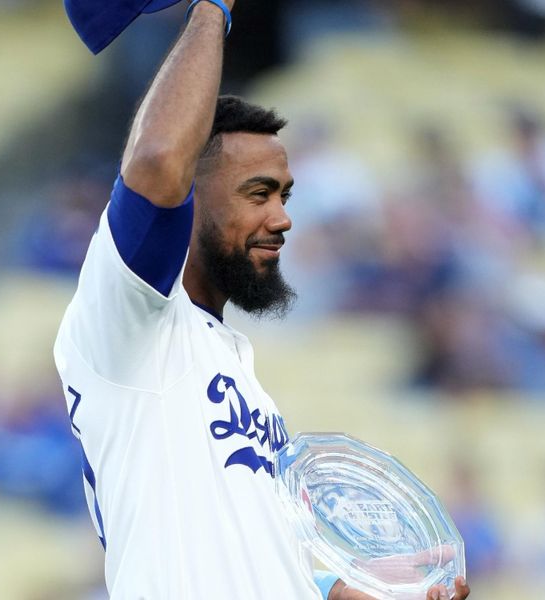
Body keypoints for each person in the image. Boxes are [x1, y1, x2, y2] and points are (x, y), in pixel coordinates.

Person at [54, 1, 471, 598]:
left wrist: (362, 591)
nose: (282, 219)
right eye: (258, 193)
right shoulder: (129, 322)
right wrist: (210, 9)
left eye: (284, 195)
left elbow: (262, 561)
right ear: (189, 201)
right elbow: (157, 161)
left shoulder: (236, 367)